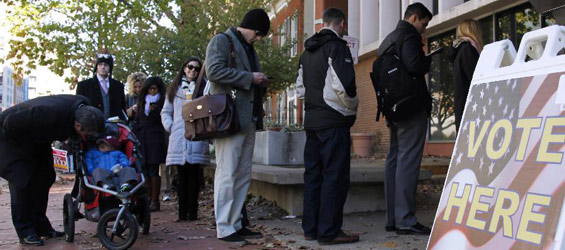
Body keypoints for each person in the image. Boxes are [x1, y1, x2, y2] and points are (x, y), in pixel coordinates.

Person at [0, 95, 105, 246]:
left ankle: (41, 226)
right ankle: (25, 231)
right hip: (10, 137)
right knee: (22, 181)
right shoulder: (49, 114)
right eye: (86, 134)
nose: (86, 138)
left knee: (46, 176)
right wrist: (27, 150)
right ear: (78, 126)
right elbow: (10, 123)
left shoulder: (85, 106)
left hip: (38, 138)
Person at [295, 8, 359, 245]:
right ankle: (330, 231)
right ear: (341, 24)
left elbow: (300, 89)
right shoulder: (338, 47)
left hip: (311, 122)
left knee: (313, 176)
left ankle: (311, 228)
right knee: (335, 176)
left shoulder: (307, 51)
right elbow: (346, 86)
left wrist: (315, 103)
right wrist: (352, 108)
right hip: (333, 122)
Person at [205, 8, 270, 243]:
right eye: (259, 34)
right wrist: (250, 78)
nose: (259, 39)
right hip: (228, 119)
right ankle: (224, 226)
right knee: (227, 173)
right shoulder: (221, 41)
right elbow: (213, 71)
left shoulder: (248, 48)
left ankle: (236, 223)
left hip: (247, 119)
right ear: (251, 27)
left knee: (242, 175)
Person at [378, 2, 434, 235]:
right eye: (423, 23)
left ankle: (393, 218)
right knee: (408, 162)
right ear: (413, 18)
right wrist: (428, 59)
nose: (424, 28)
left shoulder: (387, 40)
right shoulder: (408, 36)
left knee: (395, 160)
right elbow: (415, 65)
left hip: (394, 108)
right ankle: (406, 219)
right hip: (411, 108)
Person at [161, 57, 210, 221]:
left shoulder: (204, 88)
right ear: (184, 68)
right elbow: (166, 112)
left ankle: (193, 212)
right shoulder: (174, 89)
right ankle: (182, 213)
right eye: (190, 67)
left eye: (196, 68)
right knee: (181, 178)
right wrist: (171, 126)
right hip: (179, 137)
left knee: (195, 178)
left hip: (197, 136)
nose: (193, 71)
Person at [133, 76, 167, 211]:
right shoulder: (141, 101)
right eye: (150, 89)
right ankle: (146, 198)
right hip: (141, 137)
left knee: (154, 169)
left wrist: (156, 111)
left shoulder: (162, 101)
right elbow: (137, 119)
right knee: (144, 168)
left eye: (155, 89)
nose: (152, 92)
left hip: (155, 138)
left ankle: (155, 200)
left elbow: (163, 118)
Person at [449, 19, 483, 133]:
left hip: (463, 106)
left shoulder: (459, 50)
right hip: (472, 107)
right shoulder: (467, 50)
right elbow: (476, 78)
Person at [76, 53, 127, 120]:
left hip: (114, 125)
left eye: (106, 65)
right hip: (92, 125)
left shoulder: (118, 86)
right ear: (96, 67)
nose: (103, 67)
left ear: (110, 67)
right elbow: (80, 107)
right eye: (100, 64)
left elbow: (122, 108)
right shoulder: (84, 85)